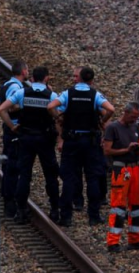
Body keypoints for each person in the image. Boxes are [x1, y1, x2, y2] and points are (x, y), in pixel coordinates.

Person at [47, 66, 114, 227]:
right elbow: (110, 109)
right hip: (90, 142)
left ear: (79, 78)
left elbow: (50, 107)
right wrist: (102, 122)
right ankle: (93, 215)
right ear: (91, 80)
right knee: (92, 178)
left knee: (69, 178)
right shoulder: (95, 95)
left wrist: (59, 118)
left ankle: (66, 216)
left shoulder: (68, 94)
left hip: (72, 141)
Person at [0, 66, 60, 223]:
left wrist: (12, 127)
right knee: (50, 174)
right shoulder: (51, 95)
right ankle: (54, 209)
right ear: (46, 78)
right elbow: (58, 116)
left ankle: (21, 211)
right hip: (45, 139)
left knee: (24, 175)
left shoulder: (22, 93)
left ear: (32, 78)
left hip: (25, 138)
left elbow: (2, 109)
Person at [103, 103, 139, 252]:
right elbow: (107, 151)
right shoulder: (113, 128)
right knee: (118, 206)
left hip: (134, 169)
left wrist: (138, 150)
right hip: (121, 170)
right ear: (125, 113)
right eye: (133, 117)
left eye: (136, 117)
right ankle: (113, 242)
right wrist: (126, 150)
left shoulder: (134, 127)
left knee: (136, 206)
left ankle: (135, 239)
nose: (135, 120)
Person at [0, 60, 30, 219]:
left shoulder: (6, 85)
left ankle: (7, 195)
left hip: (10, 131)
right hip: (15, 131)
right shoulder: (15, 87)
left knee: (8, 165)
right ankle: (10, 203)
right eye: (27, 70)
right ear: (23, 72)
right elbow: (9, 107)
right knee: (14, 167)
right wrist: (26, 103)